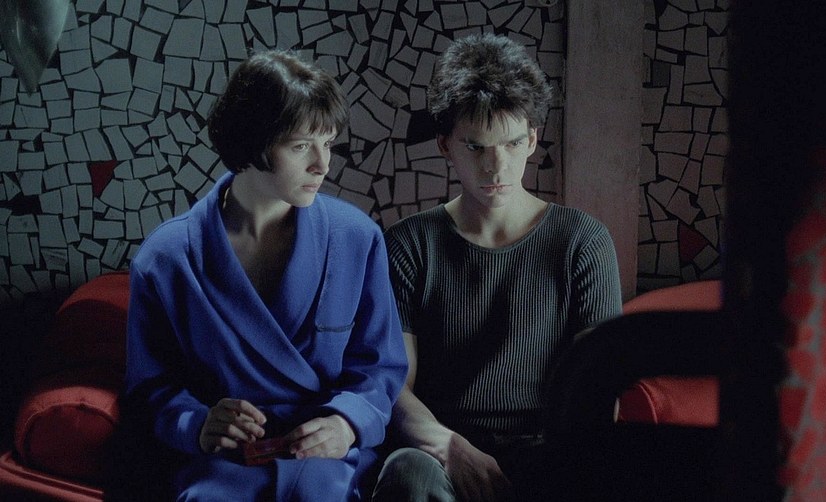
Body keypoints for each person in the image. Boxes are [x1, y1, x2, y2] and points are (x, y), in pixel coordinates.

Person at [122, 49, 408, 501]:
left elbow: (379, 368)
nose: (323, 164)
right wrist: (198, 424)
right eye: (301, 146)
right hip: (221, 465)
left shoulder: (357, 237)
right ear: (253, 144)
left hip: (327, 461)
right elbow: (150, 388)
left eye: (328, 143)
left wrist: (346, 423)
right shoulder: (167, 257)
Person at [371, 33, 623, 501]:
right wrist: (449, 448)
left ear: (531, 139)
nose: (495, 166)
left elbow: (598, 389)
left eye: (511, 143)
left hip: (546, 454)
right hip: (441, 452)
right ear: (445, 145)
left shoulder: (582, 242)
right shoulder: (410, 245)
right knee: (407, 473)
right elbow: (392, 385)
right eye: (475, 147)